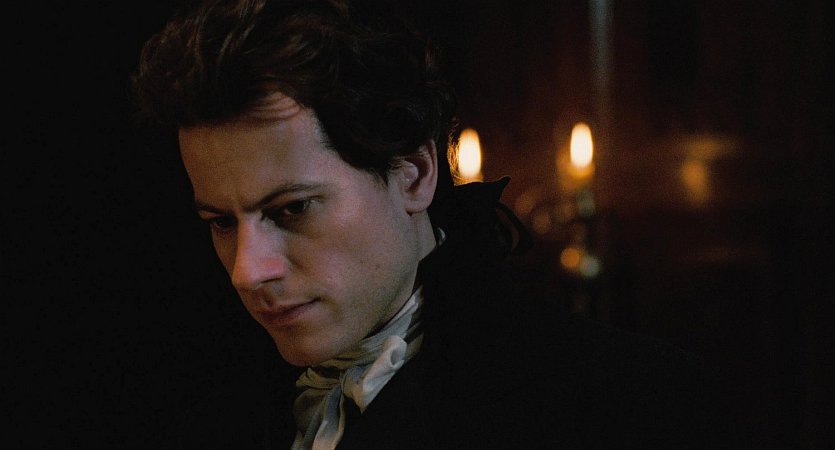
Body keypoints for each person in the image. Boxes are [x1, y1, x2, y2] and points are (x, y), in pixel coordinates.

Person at [132, 0, 734, 448]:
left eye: (293, 209)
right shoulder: (188, 401)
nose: (248, 271)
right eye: (221, 222)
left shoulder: (623, 403)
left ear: (415, 174)